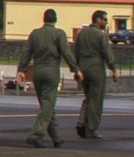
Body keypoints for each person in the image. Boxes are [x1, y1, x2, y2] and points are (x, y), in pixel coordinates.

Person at [18, 8, 74, 148]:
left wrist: (22, 70)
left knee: (46, 105)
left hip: (37, 71)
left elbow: (26, 52)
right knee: (48, 103)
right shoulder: (59, 34)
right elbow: (66, 53)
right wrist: (75, 69)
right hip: (52, 71)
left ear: (43, 19)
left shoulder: (35, 34)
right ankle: (36, 135)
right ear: (55, 19)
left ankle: (57, 137)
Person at [75, 10, 111, 139]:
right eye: (105, 19)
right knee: (96, 100)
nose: (106, 22)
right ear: (98, 20)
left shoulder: (81, 33)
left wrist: (76, 70)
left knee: (88, 97)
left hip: (83, 68)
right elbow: (107, 53)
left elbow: (76, 52)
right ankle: (91, 129)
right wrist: (114, 69)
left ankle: (81, 121)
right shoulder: (101, 35)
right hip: (96, 69)